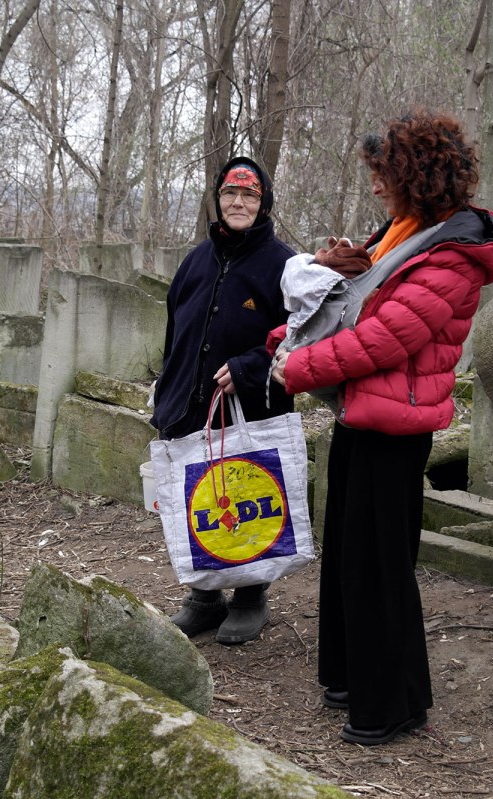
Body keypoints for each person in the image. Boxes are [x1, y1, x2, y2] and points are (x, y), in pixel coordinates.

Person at [270, 110, 493, 744]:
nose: (374, 186)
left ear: (417, 177)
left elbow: (383, 339)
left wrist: (293, 368)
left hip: (396, 427)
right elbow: (351, 311)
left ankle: (394, 705)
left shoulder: (453, 255)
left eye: (385, 174)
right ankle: (351, 678)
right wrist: (323, 283)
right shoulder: (403, 233)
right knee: (350, 556)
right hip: (360, 414)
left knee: (380, 567)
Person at [151, 155, 296, 645]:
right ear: (218, 199)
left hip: (253, 408)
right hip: (190, 408)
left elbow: (300, 337)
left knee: (249, 495)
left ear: (264, 202)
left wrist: (252, 367)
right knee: (200, 497)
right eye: (231, 194)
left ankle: (251, 596)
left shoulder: (284, 266)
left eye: (249, 195)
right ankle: (205, 599)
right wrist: (166, 394)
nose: (238, 202)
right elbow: (175, 332)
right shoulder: (196, 260)